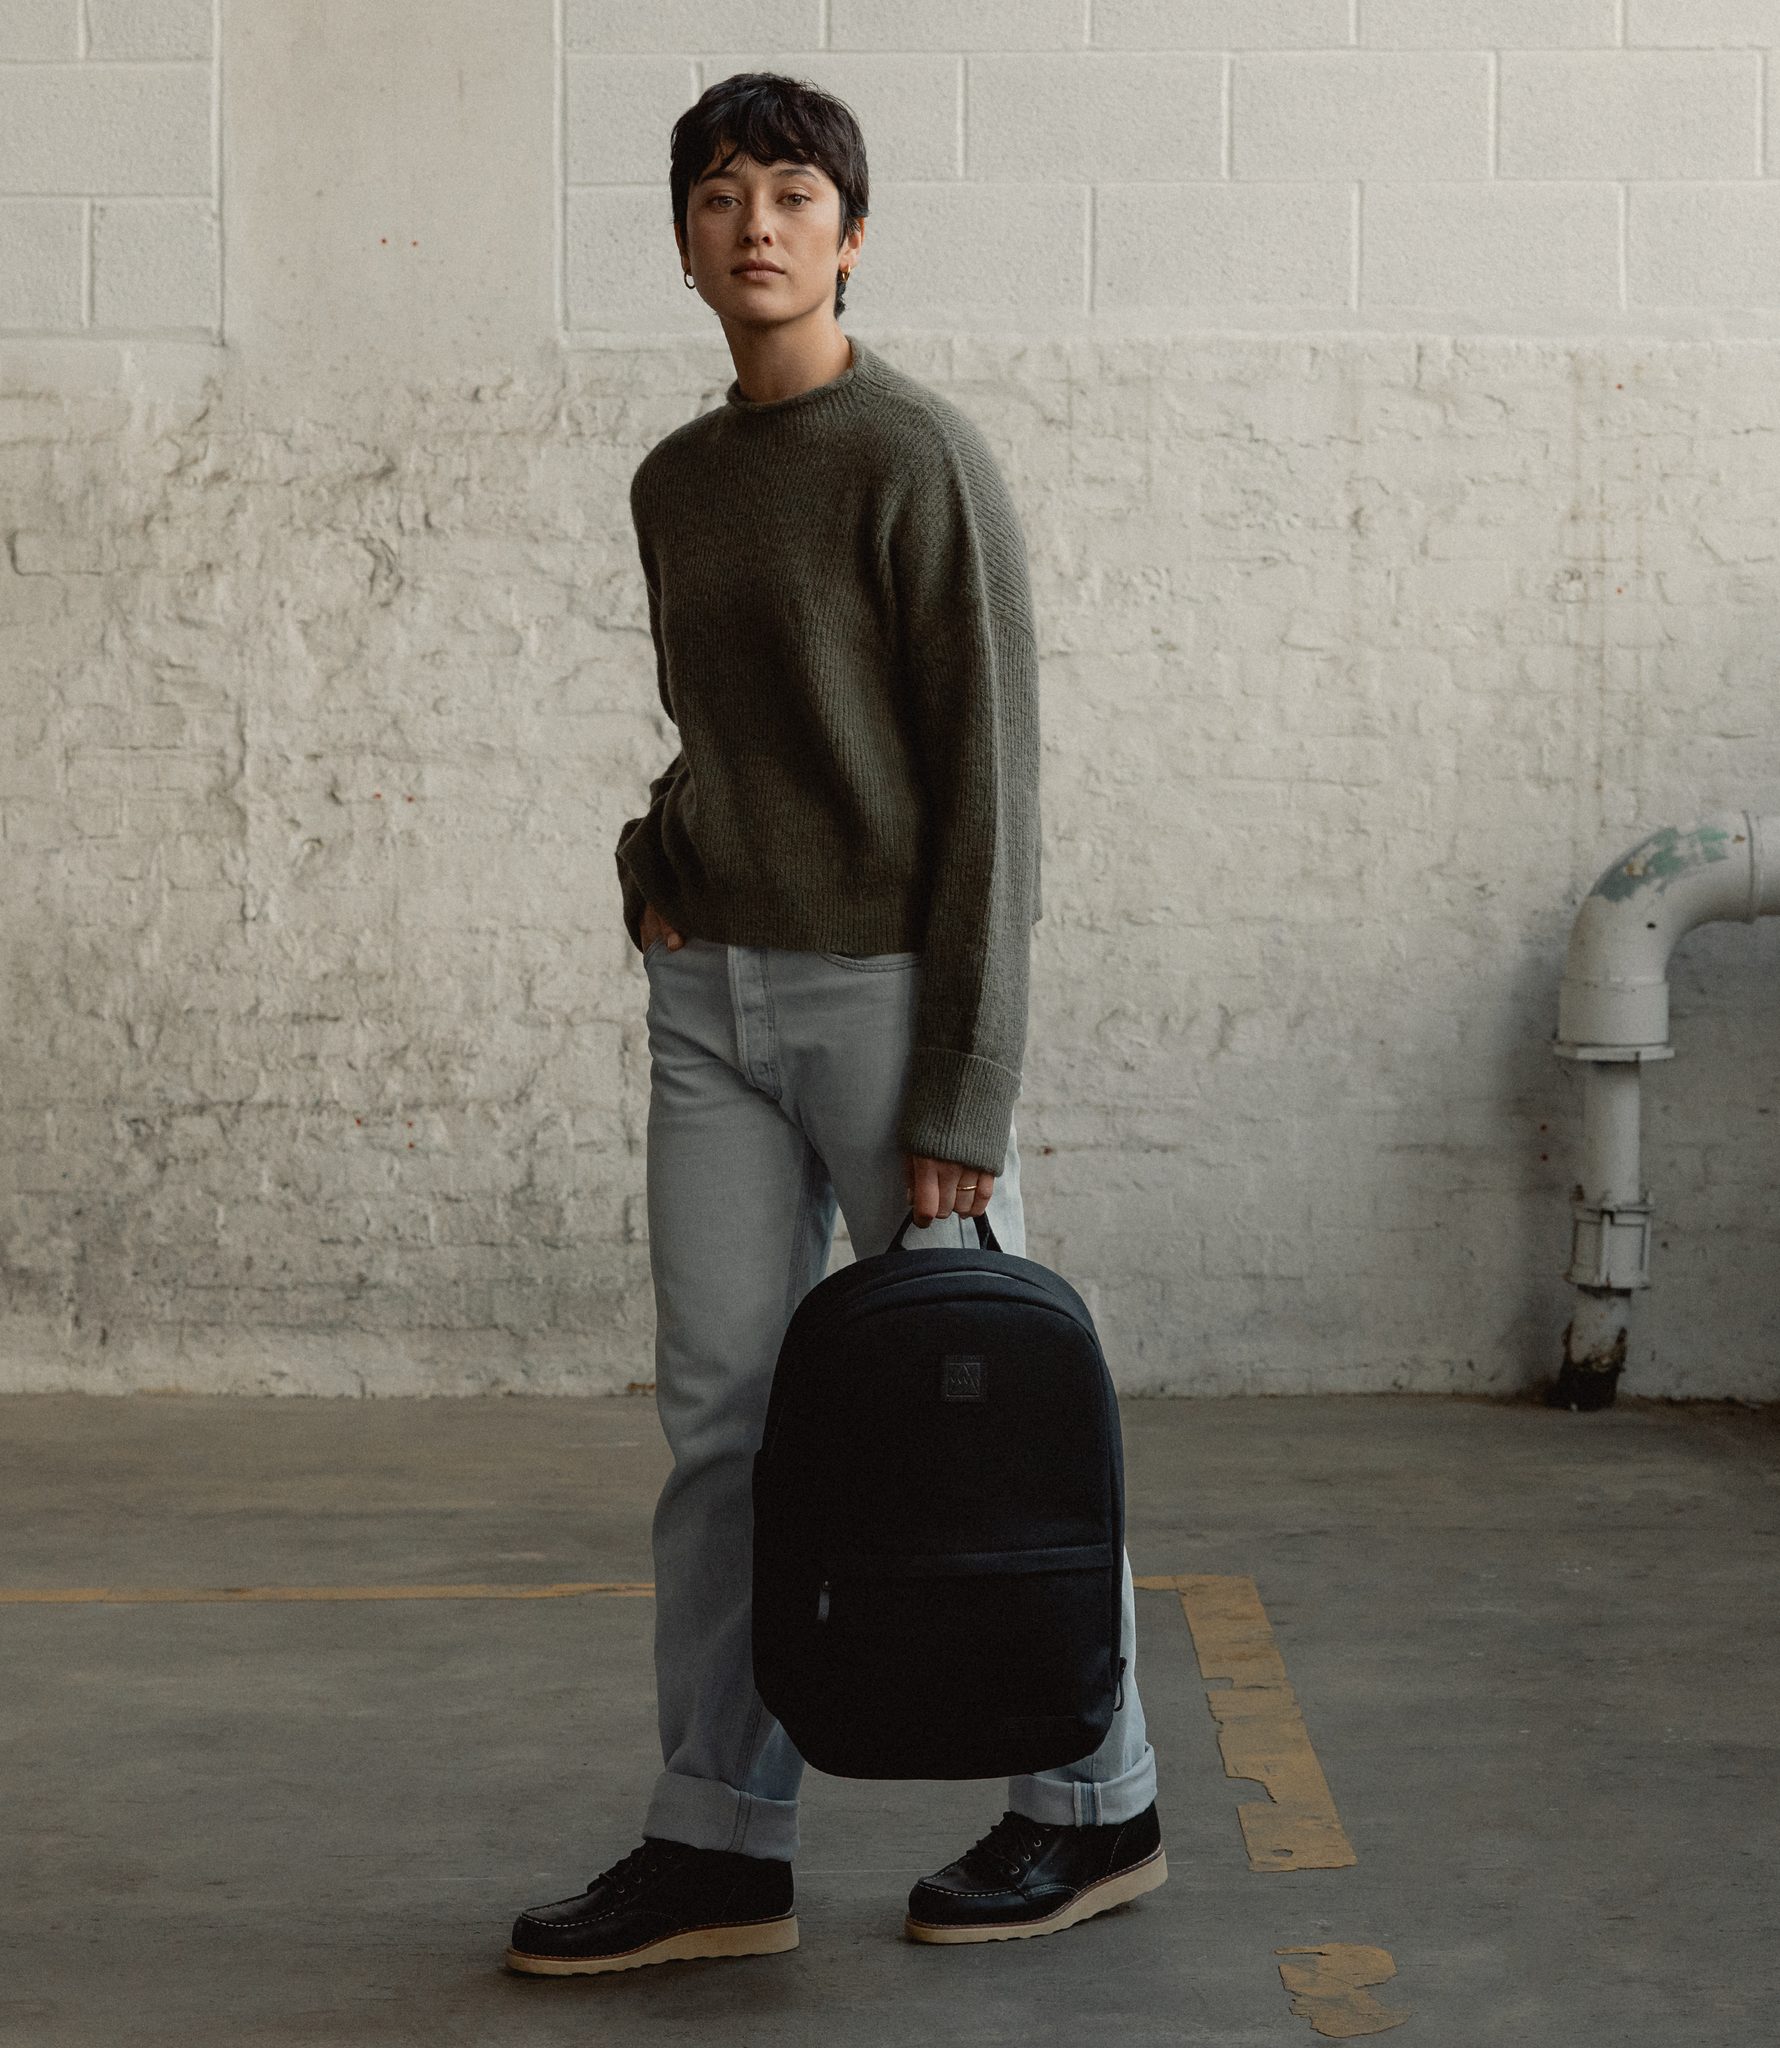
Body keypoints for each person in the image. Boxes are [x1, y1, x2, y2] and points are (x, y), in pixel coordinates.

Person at [504, 72, 1161, 1978]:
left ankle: (1095, 1804)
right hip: (708, 1004)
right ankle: (721, 1845)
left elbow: (990, 785)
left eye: (795, 193)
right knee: (721, 1429)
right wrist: (653, 857)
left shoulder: (916, 456)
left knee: (989, 1412)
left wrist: (968, 1077)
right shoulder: (676, 480)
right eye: (721, 195)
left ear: (852, 235)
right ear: (683, 239)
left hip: (890, 999)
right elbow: (724, 729)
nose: (757, 225)